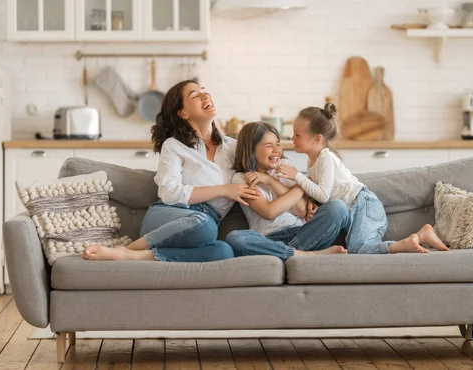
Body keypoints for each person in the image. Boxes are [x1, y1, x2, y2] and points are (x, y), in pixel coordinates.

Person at [82, 80, 260, 262]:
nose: (205, 96)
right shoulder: (174, 146)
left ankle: (138, 256)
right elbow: (169, 192)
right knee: (206, 225)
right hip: (169, 217)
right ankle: (126, 249)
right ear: (183, 113)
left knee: (223, 251)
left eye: (204, 91)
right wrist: (224, 190)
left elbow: (266, 158)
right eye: (195, 95)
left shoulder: (234, 147)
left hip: (201, 229)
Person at [276, 102, 449, 254]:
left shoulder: (326, 158)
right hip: (352, 210)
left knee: (359, 250)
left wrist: (297, 176)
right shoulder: (311, 159)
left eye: (297, 135)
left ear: (317, 138)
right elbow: (321, 193)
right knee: (356, 248)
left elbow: (323, 195)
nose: (292, 138)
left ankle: (417, 237)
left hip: (363, 205)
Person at [225, 121, 349, 261]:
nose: (277, 150)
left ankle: (289, 253)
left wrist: (270, 180)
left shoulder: (285, 166)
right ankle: (304, 255)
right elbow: (269, 212)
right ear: (251, 149)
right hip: (269, 238)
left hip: (303, 234)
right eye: (268, 145)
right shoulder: (241, 179)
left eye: (278, 144)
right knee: (235, 238)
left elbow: (301, 210)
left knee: (338, 207)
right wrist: (301, 185)